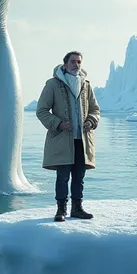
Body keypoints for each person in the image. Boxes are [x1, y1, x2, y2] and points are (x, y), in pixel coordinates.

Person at [36, 51, 100, 222]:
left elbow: (95, 109)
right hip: (62, 139)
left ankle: (77, 208)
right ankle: (61, 210)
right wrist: (58, 123)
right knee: (63, 177)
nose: (76, 65)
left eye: (79, 62)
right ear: (64, 64)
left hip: (82, 140)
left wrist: (91, 121)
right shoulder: (52, 84)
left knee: (79, 177)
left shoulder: (86, 84)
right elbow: (41, 110)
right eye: (73, 62)